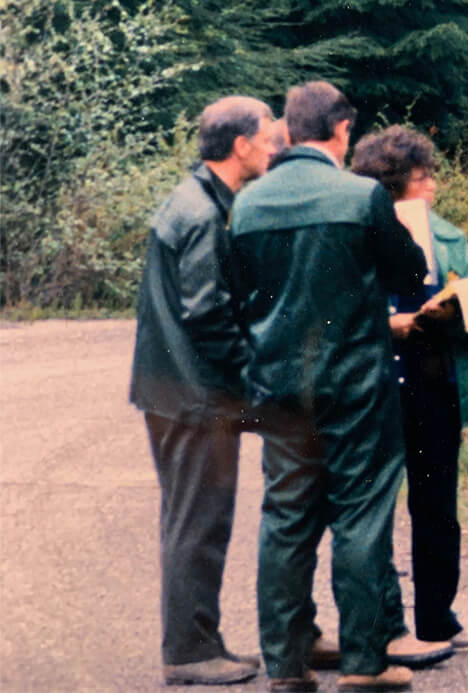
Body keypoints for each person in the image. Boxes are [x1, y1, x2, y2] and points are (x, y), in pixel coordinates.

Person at [228, 81, 436, 693]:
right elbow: (410, 270)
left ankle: (287, 664)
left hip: (277, 387)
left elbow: (237, 293)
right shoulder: (362, 195)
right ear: (342, 130)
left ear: (288, 132)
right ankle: (366, 661)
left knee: (286, 519)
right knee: (361, 517)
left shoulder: (247, 205)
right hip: (356, 385)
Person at [129, 96, 276, 686]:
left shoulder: (198, 200)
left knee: (194, 519)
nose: (272, 148)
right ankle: (190, 654)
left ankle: (201, 640)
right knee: (199, 522)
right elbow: (207, 314)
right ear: (240, 146)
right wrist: (255, 379)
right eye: (267, 139)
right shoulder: (203, 214)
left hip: (177, 391)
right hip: (193, 396)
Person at [351, 126, 468, 653]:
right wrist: (392, 322)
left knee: (436, 509)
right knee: (374, 510)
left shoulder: (448, 235)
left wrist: (458, 312)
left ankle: (437, 618)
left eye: (430, 176)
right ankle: (384, 625)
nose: (431, 186)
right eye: (420, 178)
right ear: (389, 186)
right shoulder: (356, 233)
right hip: (377, 385)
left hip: (437, 383)